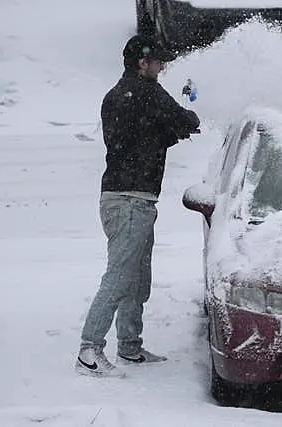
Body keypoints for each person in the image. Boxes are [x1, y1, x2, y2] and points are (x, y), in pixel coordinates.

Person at [75, 35, 200, 378]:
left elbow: (141, 139)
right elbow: (182, 118)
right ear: (142, 63)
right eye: (158, 61)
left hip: (129, 198)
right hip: (129, 201)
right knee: (118, 278)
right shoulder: (146, 92)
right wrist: (190, 118)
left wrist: (175, 130)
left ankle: (130, 346)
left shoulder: (118, 97)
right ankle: (89, 349)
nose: (162, 67)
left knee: (137, 279)